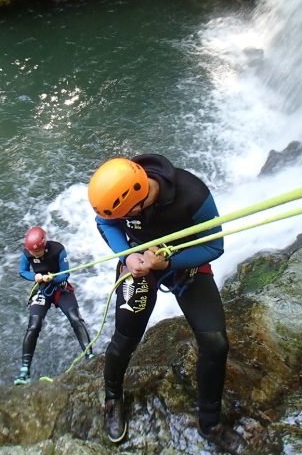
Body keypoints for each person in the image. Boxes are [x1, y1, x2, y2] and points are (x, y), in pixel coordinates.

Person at [87, 154, 243, 452]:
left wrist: (168, 261)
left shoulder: (193, 196)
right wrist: (128, 256)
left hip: (184, 266)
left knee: (216, 343)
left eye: (123, 214)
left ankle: (210, 422)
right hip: (141, 265)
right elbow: (104, 223)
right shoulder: (122, 194)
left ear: (139, 198)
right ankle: (112, 398)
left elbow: (214, 246)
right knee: (124, 340)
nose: (118, 218)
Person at [13, 226, 94, 384]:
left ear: (44, 245)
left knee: (75, 319)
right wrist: (35, 276)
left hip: (60, 288)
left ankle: (90, 355)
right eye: (32, 253)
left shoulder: (58, 249)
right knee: (34, 325)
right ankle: (24, 370)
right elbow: (22, 271)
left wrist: (53, 279)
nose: (35, 255)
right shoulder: (26, 253)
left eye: (38, 252)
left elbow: (65, 273)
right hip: (42, 290)